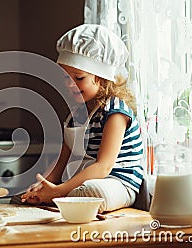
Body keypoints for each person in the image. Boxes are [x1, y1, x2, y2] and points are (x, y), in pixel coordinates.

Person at [21, 24, 144, 213]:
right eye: (65, 77)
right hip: (84, 182)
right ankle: (57, 198)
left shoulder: (116, 111)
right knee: (66, 191)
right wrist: (44, 185)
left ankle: (60, 199)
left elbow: (104, 167)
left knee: (93, 192)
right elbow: (62, 161)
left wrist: (59, 191)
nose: (70, 85)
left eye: (78, 78)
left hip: (117, 183)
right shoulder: (76, 113)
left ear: (102, 78)